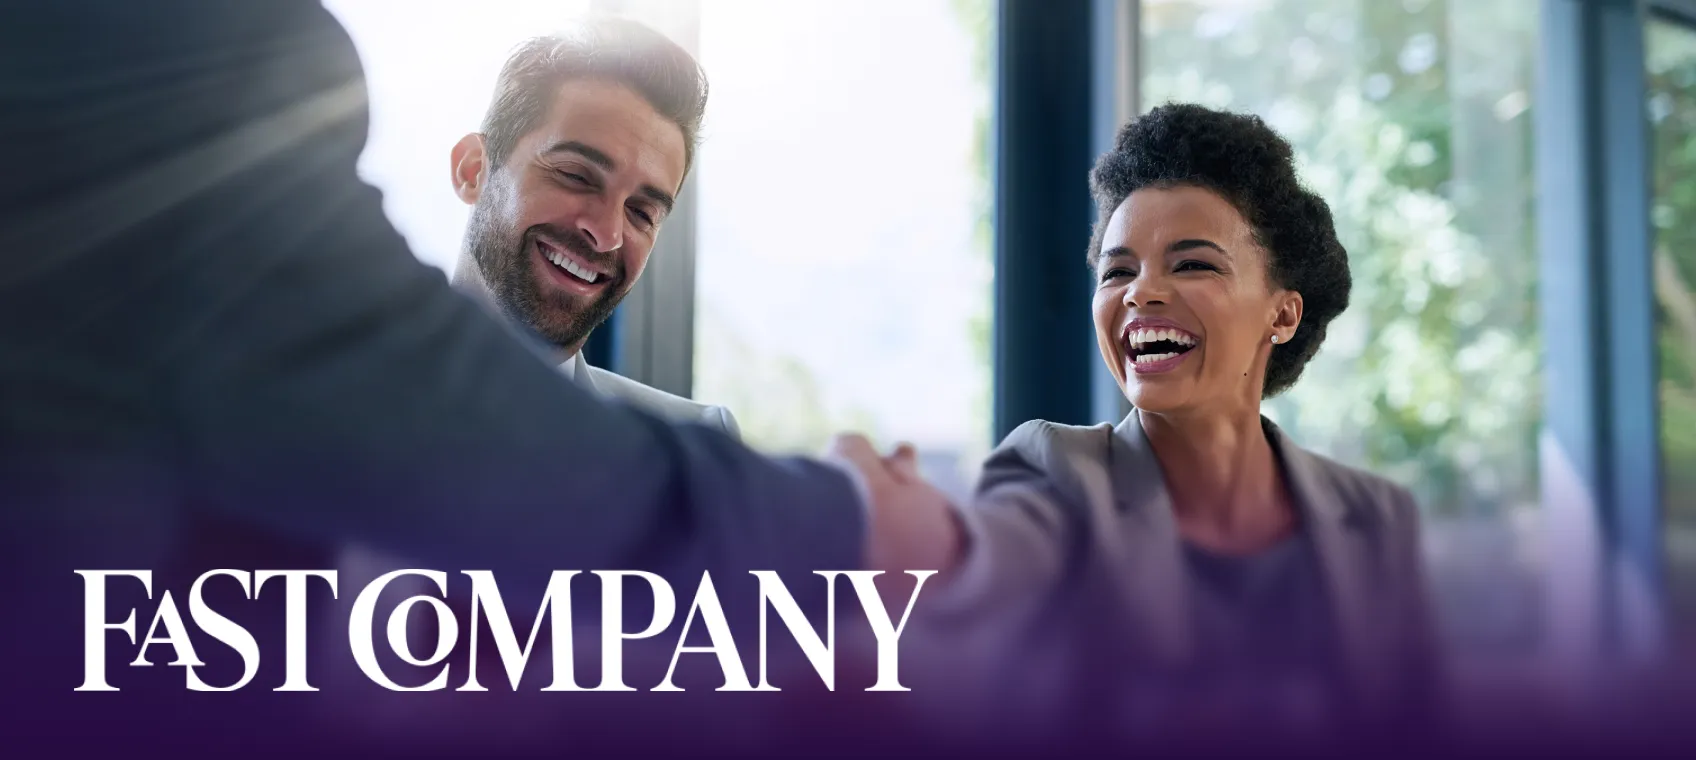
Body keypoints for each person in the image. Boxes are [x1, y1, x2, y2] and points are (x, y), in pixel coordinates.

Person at [0, 2, 956, 755]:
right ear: (470, 169)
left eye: (646, 209)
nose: (605, 230)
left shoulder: (696, 433)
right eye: (577, 175)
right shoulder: (323, 390)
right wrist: (851, 520)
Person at [922, 104, 1441, 746]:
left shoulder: (1376, 518)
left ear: (1281, 315)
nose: (1141, 292)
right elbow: (985, 559)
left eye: (1192, 264)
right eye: (1118, 271)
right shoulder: (1053, 471)